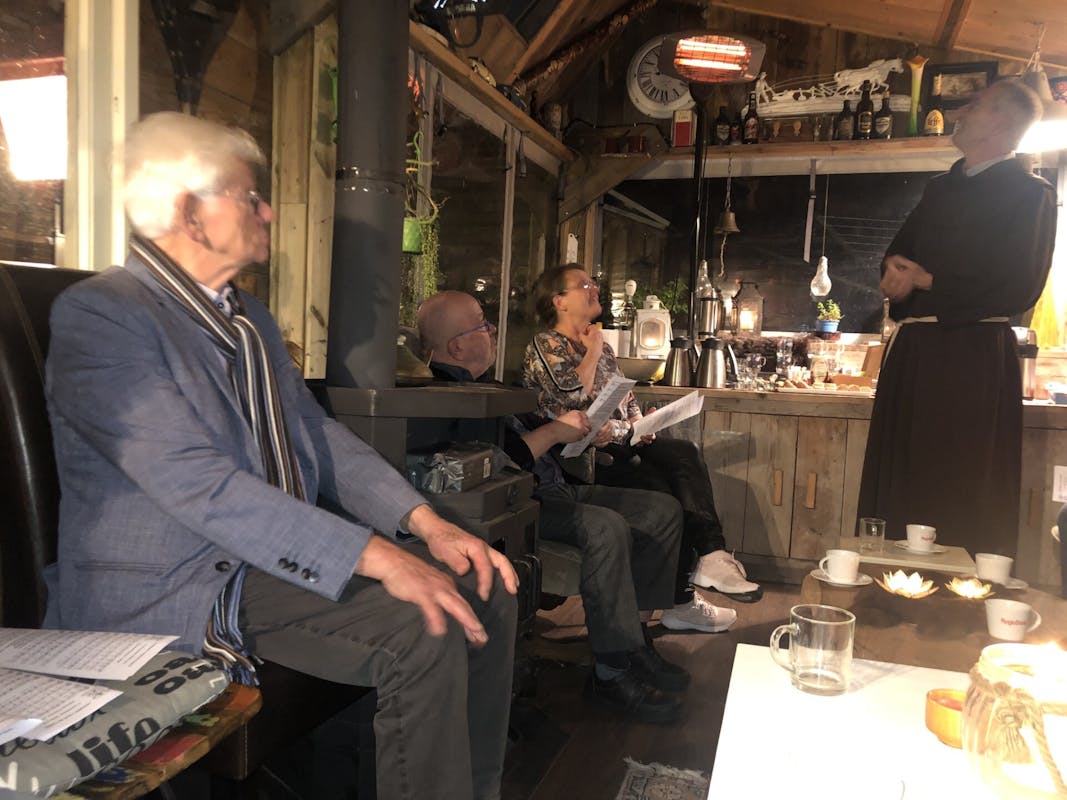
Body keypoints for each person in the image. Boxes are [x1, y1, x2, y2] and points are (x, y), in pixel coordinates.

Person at [43, 112, 518, 800]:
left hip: (260, 563)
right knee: (424, 624)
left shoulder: (249, 320)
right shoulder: (103, 316)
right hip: (182, 583)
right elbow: (195, 483)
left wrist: (424, 523)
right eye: (249, 195)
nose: (267, 210)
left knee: (486, 586)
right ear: (188, 211)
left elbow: (316, 435)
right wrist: (380, 557)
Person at [418, 291, 737, 724]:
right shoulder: (449, 397)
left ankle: (635, 642)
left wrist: (583, 433)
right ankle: (611, 673)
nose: (492, 330)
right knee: (605, 527)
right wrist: (554, 431)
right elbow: (497, 464)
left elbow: (534, 439)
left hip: (559, 485)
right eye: (482, 324)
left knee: (661, 510)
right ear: (456, 346)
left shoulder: (490, 388)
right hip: (526, 504)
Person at [858, 79, 1057, 557]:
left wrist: (928, 281)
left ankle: (960, 594)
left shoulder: (1031, 194)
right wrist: (894, 275)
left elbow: (1020, 286)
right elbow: (900, 255)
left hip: (972, 358)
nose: (961, 112)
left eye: (976, 105)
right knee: (903, 475)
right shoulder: (940, 189)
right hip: (914, 354)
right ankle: (890, 583)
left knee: (959, 480)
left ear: (1002, 123)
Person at [521, 265, 763, 615]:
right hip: (580, 459)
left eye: (593, 283)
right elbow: (574, 400)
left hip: (620, 442)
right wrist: (593, 350)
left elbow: (625, 397)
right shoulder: (547, 344)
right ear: (559, 301)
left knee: (684, 453)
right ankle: (681, 598)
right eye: (584, 285)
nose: (594, 289)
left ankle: (712, 556)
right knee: (664, 493)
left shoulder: (601, 348)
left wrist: (639, 420)